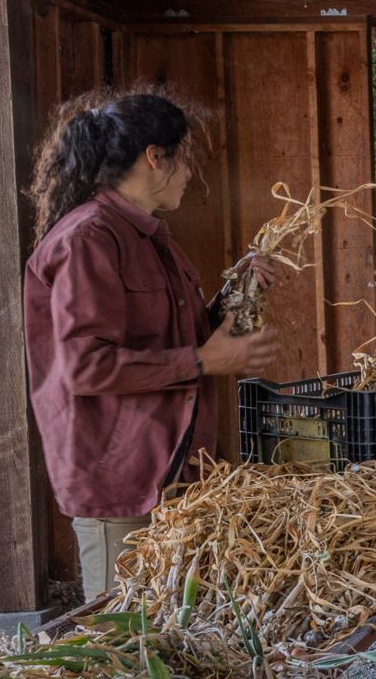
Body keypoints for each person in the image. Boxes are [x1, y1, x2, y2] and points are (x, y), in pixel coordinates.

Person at [24, 89, 282, 602]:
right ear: (154, 158)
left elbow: (169, 336)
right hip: (120, 482)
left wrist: (238, 291)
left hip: (166, 470)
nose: (189, 174)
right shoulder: (88, 240)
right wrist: (205, 360)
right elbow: (87, 368)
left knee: (166, 636)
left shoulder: (146, 235)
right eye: (184, 159)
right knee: (120, 643)